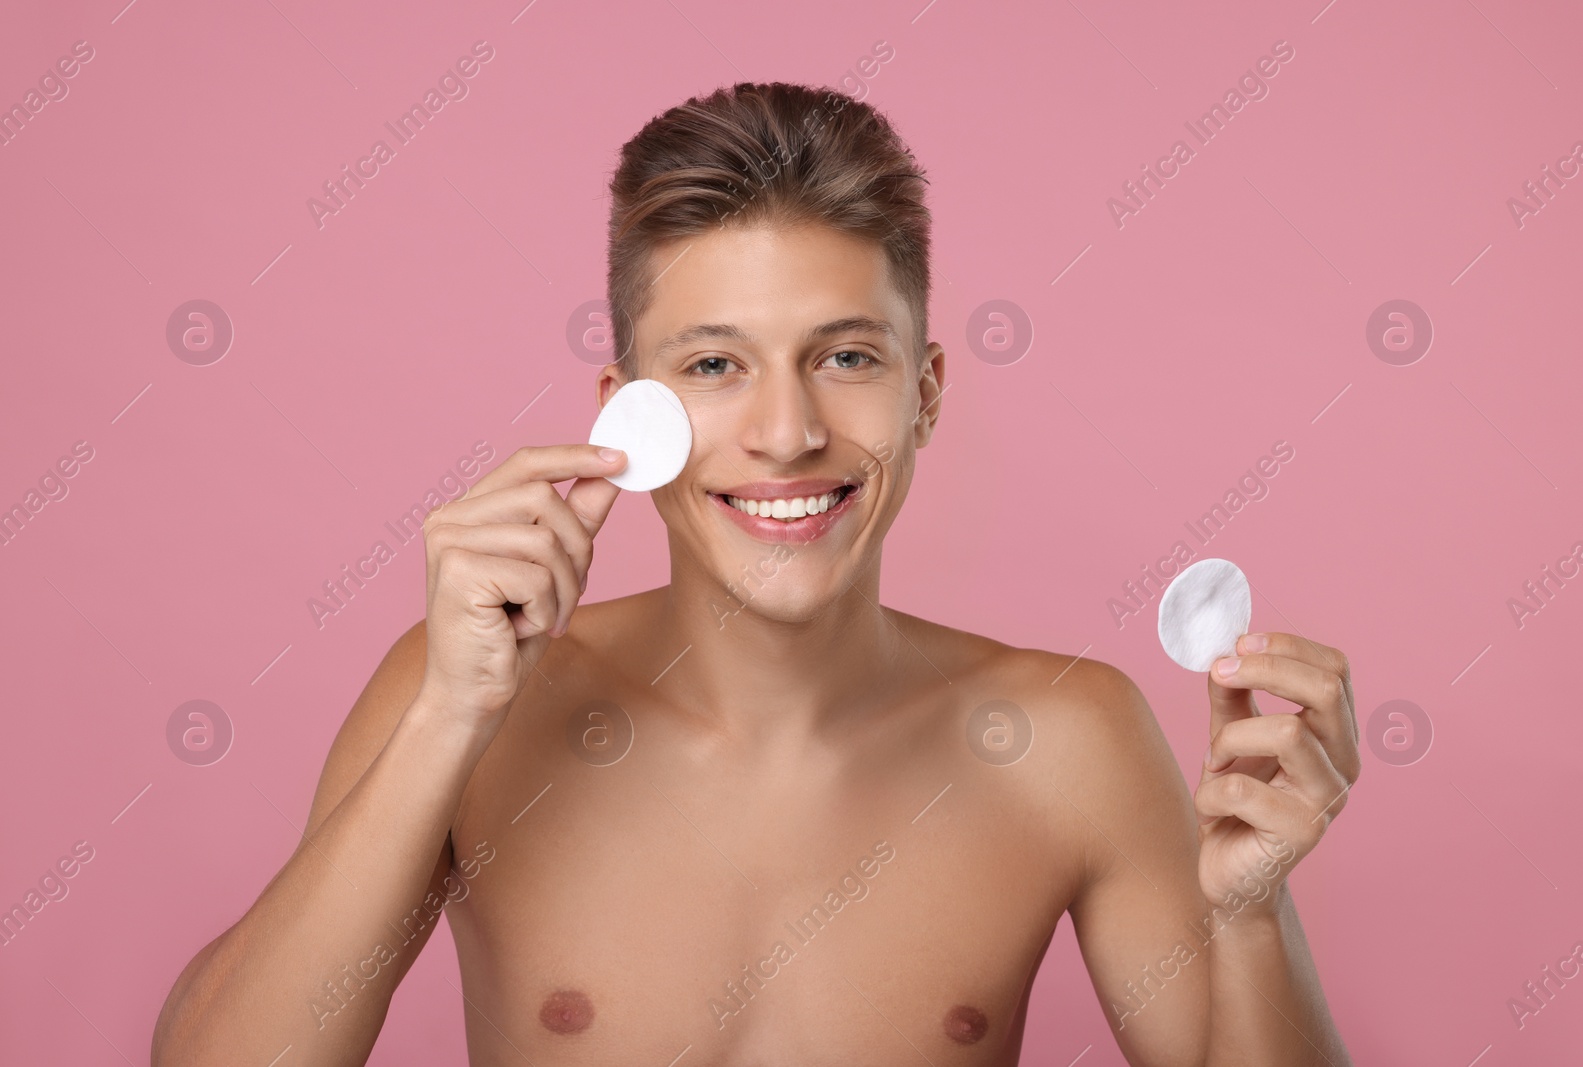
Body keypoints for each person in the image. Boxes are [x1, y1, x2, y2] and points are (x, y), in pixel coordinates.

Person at [152, 81, 1357, 1066]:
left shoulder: (1063, 736)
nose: (785, 431)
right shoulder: (469, 703)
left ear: (924, 392)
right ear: (623, 415)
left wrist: (1249, 913)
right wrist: (452, 715)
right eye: (714, 364)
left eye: (843, 354)